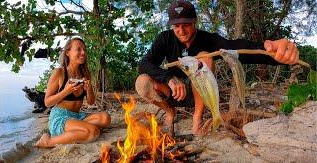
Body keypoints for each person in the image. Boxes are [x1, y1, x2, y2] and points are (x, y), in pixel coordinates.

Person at [135, 0, 299, 136]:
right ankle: (170, 111)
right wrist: (169, 78)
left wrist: (272, 51)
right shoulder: (165, 38)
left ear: (195, 22)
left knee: (205, 56)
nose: (181, 30)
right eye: (176, 26)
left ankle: (197, 118)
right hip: (172, 92)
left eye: (186, 24)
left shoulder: (207, 39)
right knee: (142, 82)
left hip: (198, 93)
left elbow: (237, 48)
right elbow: (144, 64)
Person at [35, 37, 111, 148]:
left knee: (105, 118)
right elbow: (47, 102)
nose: (83, 52)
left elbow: (90, 102)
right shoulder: (59, 72)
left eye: (84, 49)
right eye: (79, 49)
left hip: (77, 116)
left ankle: (77, 132)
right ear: (68, 53)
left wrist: (89, 89)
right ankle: (48, 141)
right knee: (93, 132)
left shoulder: (85, 74)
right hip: (60, 117)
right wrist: (66, 91)